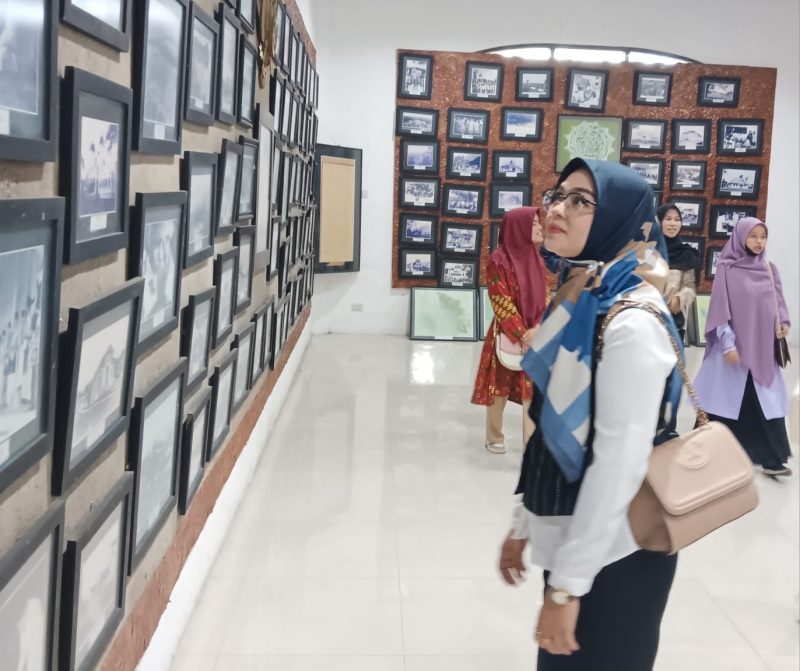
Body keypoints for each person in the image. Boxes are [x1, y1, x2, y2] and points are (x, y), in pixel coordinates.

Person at [498, 159, 682, 670]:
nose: (557, 209)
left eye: (581, 201)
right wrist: (524, 522)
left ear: (620, 220)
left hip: (620, 551)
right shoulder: (585, 296)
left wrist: (567, 588)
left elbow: (618, 465)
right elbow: (549, 431)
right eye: (558, 195)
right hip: (577, 540)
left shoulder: (631, 321)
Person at [693, 217, 792, 477]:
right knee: (723, 403)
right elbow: (720, 310)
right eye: (753, 236)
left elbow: (779, 302)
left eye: (763, 236)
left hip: (762, 349)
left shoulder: (769, 269)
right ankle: (710, 455)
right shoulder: (727, 269)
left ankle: (771, 459)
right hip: (733, 350)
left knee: (765, 403)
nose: (759, 242)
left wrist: (783, 323)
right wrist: (727, 344)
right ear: (740, 237)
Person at [471, 206, 547, 455]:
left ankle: (530, 444)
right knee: (499, 389)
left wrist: (539, 328)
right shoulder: (499, 261)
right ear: (519, 228)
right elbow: (500, 300)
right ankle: (494, 436)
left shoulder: (536, 259)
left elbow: (545, 298)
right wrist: (522, 334)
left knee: (531, 390)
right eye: (534, 223)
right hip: (507, 333)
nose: (540, 227)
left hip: (535, 334)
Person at [657, 203, 700, 341]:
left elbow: (690, 286)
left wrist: (678, 300)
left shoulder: (687, 254)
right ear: (658, 221)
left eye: (677, 220)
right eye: (668, 219)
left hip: (674, 321)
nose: (673, 223)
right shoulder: (648, 251)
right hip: (648, 318)